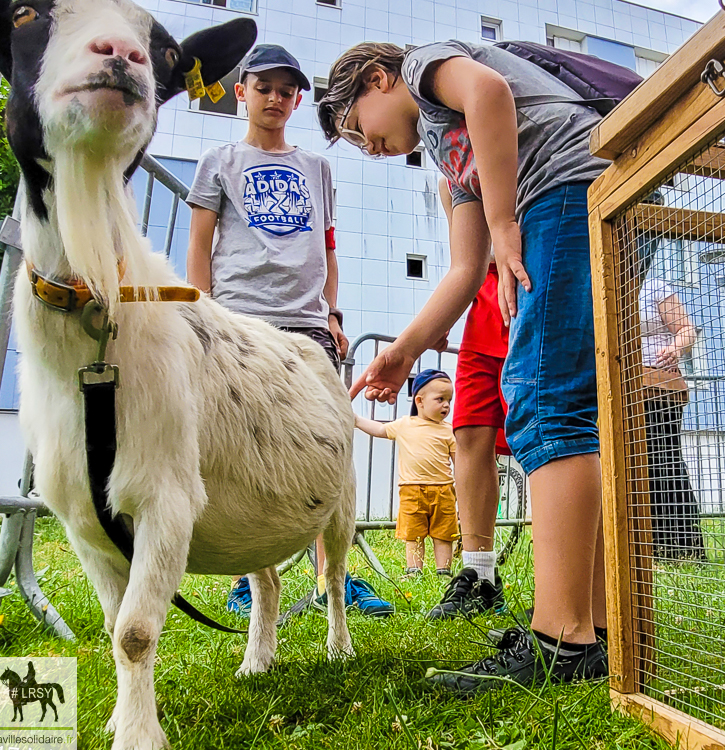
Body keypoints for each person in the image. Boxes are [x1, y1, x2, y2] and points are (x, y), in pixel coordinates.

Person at [317, 40, 609, 691]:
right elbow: (463, 269)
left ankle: (561, 643)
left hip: (562, 190)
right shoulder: (452, 166)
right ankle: (591, 630)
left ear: (376, 79)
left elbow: (489, 93)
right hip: (555, 198)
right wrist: (402, 351)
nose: (371, 148)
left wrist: (506, 218)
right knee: (562, 405)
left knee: (544, 401)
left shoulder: (424, 69)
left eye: (358, 131)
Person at [186, 44, 394, 622]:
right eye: (264, 86)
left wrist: (333, 311)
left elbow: (327, 248)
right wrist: (202, 312)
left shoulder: (317, 168)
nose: (275, 98)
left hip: (306, 324)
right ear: (241, 91)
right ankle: (247, 574)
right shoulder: (218, 159)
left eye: (287, 89)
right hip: (238, 320)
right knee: (238, 450)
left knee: (326, 447)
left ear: (299, 99)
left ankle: (337, 576)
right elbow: (200, 242)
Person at [426, 177, 509, 620]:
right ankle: (480, 574)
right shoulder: (451, 174)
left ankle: (571, 578)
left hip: (535, 288)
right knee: (471, 433)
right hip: (483, 304)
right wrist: (448, 308)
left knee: (552, 434)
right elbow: (472, 254)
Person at [638, 237, 707, 561]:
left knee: (662, 457)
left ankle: (682, 544)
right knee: (635, 463)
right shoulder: (606, 286)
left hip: (660, 386)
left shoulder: (654, 287)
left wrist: (676, 348)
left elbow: (687, 329)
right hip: (625, 388)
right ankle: (646, 544)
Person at [355, 369, 458, 577]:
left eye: (449, 400)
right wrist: (355, 419)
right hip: (411, 490)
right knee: (414, 534)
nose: (446, 405)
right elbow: (379, 430)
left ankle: (444, 571)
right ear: (419, 401)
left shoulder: (449, 430)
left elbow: (459, 461)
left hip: (444, 490)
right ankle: (414, 571)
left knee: (444, 534)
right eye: (440, 399)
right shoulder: (404, 424)